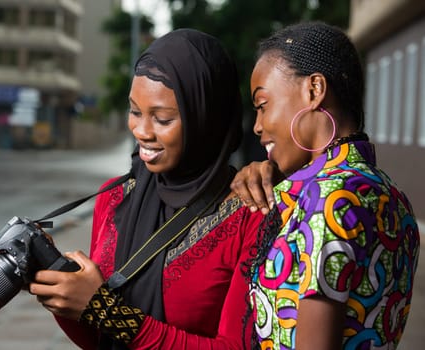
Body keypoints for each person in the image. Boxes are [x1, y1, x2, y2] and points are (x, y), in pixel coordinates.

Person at [29, 28, 264, 349]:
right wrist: (55, 287)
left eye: (163, 119)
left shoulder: (251, 211)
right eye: (135, 111)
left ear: (206, 119)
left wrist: (108, 312)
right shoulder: (114, 197)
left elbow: (236, 346)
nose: (141, 131)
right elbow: (100, 340)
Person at [230, 21, 420, 349]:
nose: (258, 126)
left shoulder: (328, 200)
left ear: (314, 91)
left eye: (263, 105)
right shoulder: (391, 196)